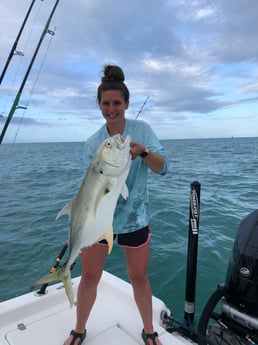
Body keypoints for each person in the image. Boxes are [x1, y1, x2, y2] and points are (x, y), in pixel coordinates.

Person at [64, 64, 169, 345]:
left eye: (117, 103)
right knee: (89, 278)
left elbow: (163, 167)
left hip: (134, 219)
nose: (112, 109)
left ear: (127, 104)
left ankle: (149, 331)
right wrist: (77, 227)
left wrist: (144, 152)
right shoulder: (93, 143)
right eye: (106, 103)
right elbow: (87, 191)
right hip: (98, 223)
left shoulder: (142, 131)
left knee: (138, 278)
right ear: (99, 105)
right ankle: (79, 329)